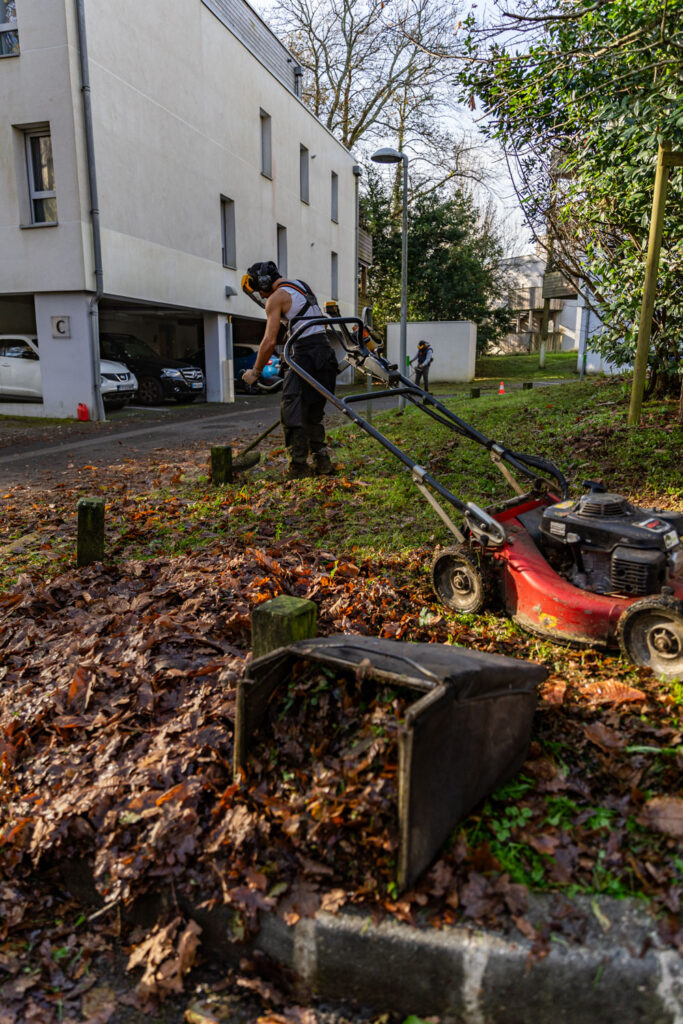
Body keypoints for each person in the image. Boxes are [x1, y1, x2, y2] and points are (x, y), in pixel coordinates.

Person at [241, 261, 338, 478]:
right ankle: (322, 463)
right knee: (312, 414)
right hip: (325, 353)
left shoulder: (276, 298)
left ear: (264, 282)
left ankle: (299, 468)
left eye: (259, 290)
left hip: (305, 355)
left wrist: (255, 373)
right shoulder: (301, 286)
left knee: (292, 412)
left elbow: (268, 341)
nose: (262, 296)